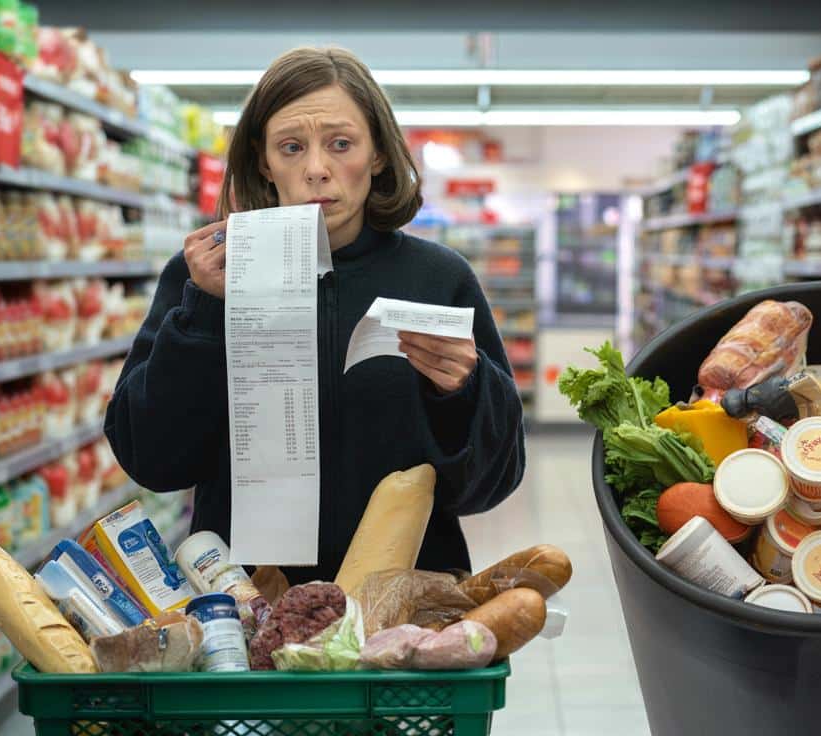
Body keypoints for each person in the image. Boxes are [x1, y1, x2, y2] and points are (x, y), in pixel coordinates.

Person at [105, 47, 526, 585]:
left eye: (341, 144)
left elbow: (492, 485)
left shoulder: (439, 279)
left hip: (403, 612)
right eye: (291, 147)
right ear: (263, 161)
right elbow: (152, 461)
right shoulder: (207, 277)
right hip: (247, 608)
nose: (316, 170)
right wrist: (205, 311)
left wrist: (466, 392)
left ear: (377, 154)